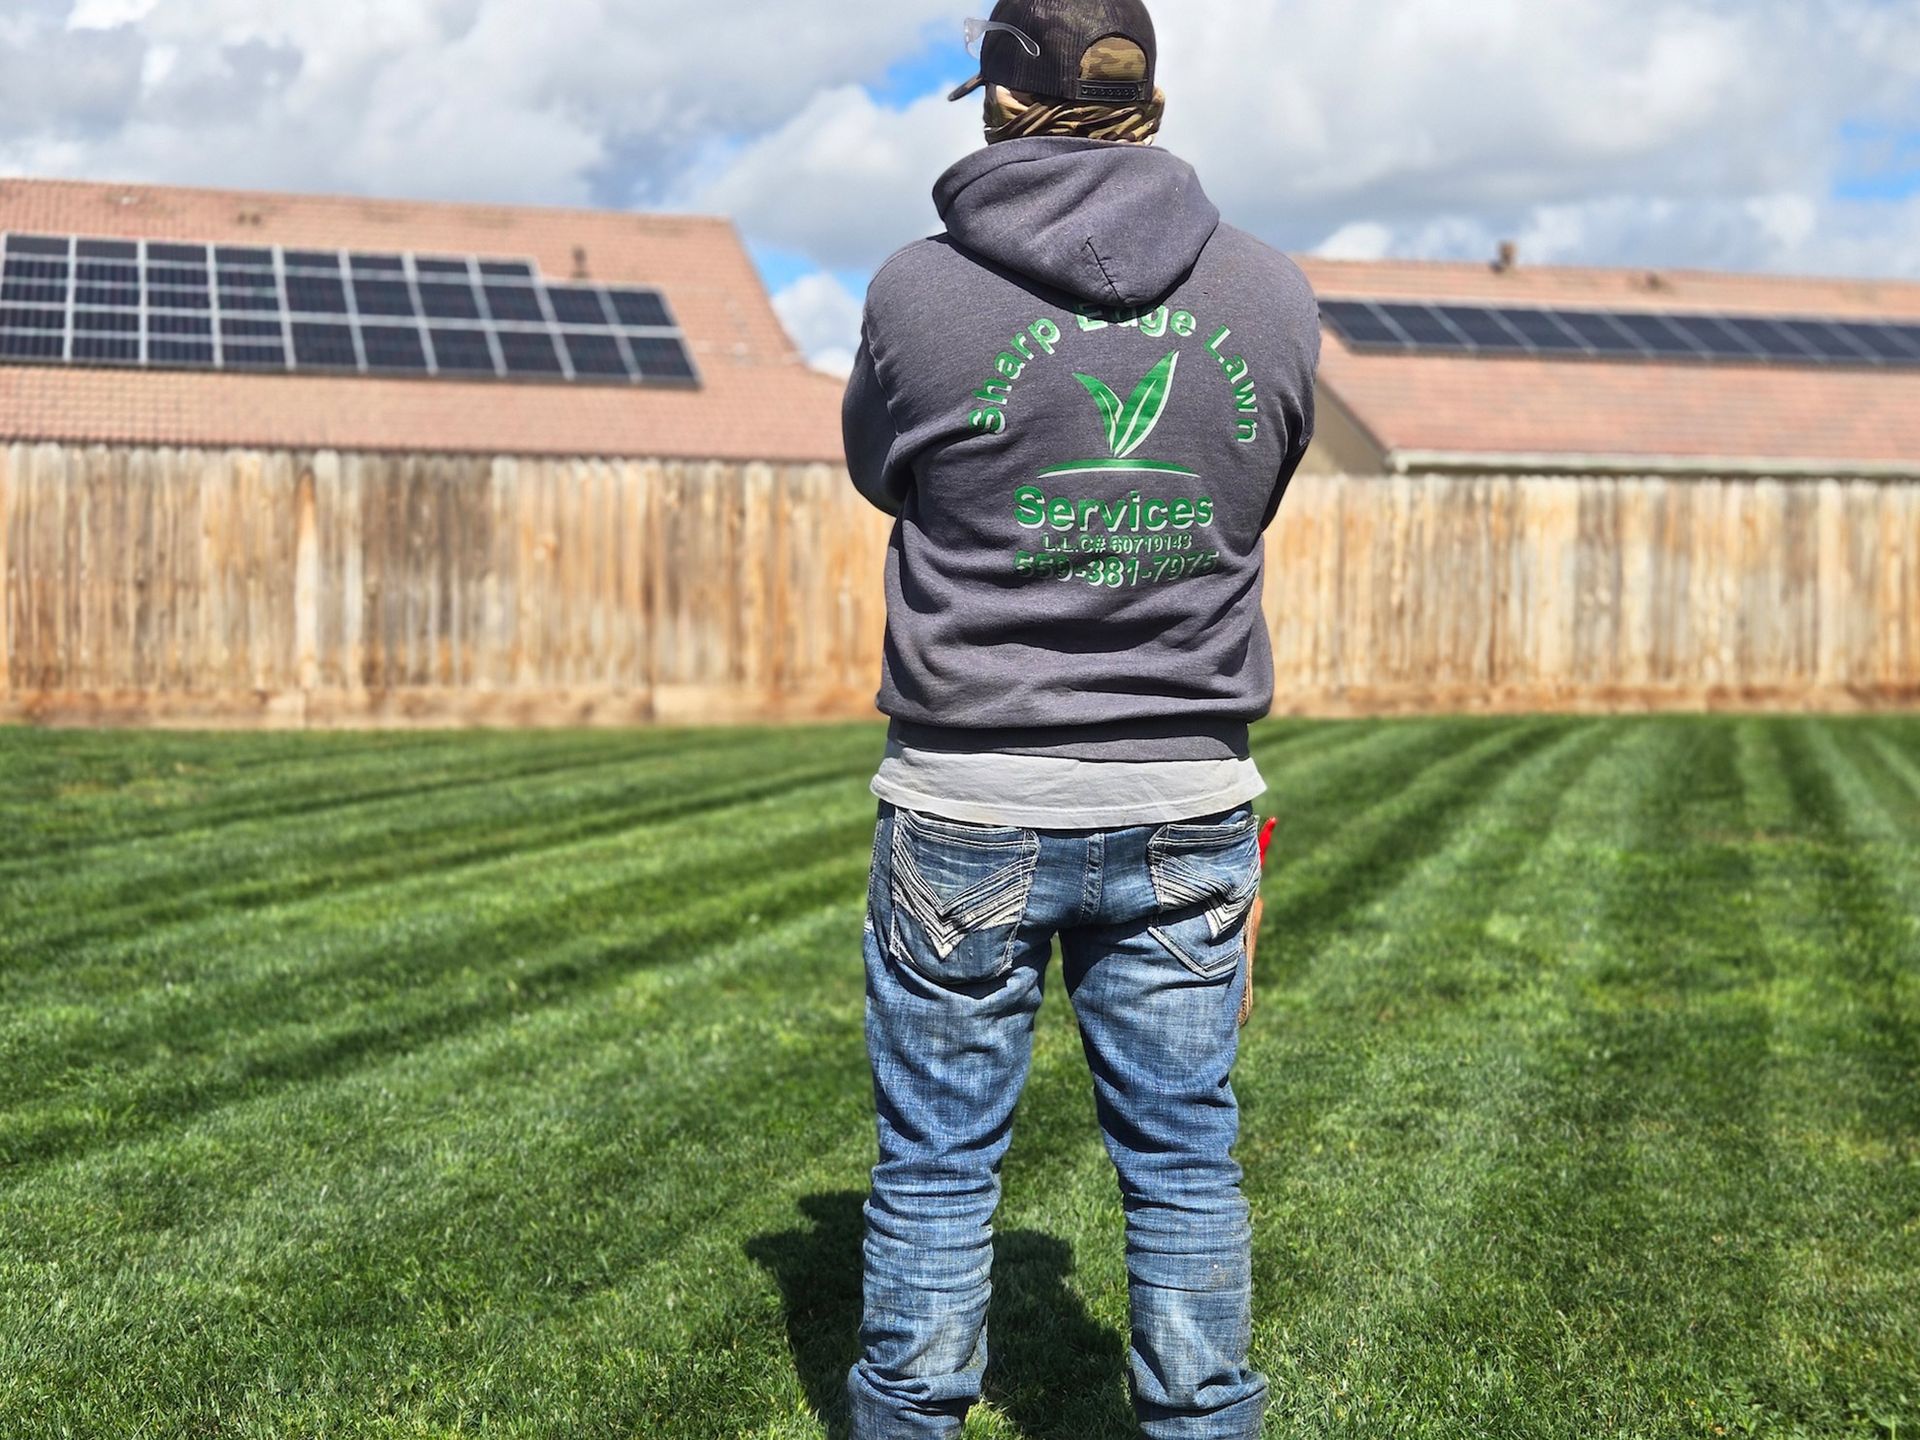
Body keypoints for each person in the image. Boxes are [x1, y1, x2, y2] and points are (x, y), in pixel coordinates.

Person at [839, 1, 1320, 1434]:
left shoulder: (914, 295)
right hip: (1184, 801)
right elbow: (1258, 487)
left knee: (935, 1169)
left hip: (968, 804)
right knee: (1184, 1162)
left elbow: (886, 473)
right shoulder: (1272, 294)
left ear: (995, 98)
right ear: (1149, 96)